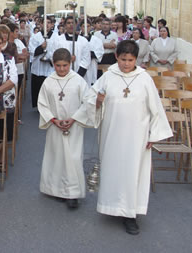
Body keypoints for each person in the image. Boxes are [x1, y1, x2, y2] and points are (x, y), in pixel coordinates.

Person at [72, 40, 172, 235]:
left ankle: (130, 214)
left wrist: (153, 133)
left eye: (130, 60)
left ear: (137, 59)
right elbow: (90, 98)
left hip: (137, 137)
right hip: (112, 134)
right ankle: (111, 206)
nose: (126, 64)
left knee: (132, 173)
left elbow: (156, 109)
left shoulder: (144, 79)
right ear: (116, 57)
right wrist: (98, 102)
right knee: (113, 171)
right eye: (123, 59)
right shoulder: (108, 76)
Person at [38, 48, 89, 209]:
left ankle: (72, 193)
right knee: (57, 157)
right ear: (53, 64)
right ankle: (57, 190)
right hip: (55, 126)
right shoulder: (48, 81)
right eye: (58, 65)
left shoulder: (78, 80)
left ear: (70, 63)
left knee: (73, 158)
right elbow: (43, 104)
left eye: (65, 65)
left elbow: (87, 102)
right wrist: (53, 120)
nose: (61, 69)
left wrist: (73, 119)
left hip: (74, 125)